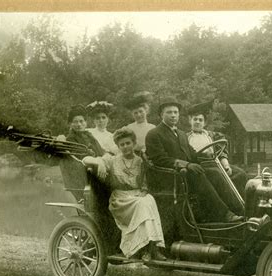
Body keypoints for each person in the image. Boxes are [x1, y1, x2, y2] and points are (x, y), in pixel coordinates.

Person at [145, 97, 243, 223]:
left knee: (215, 172)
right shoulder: (154, 134)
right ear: (161, 115)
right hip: (171, 177)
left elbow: (192, 154)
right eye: (169, 112)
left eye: (175, 112)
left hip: (185, 173)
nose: (173, 115)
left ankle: (239, 210)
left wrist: (208, 159)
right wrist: (186, 165)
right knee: (199, 174)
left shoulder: (180, 133)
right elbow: (160, 159)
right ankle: (224, 214)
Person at [82, 128, 166, 260]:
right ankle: (146, 250)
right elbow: (85, 160)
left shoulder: (140, 161)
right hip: (120, 200)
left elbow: (145, 183)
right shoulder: (112, 159)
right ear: (118, 146)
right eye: (122, 144)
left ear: (133, 143)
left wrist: (143, 191)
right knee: (143, 204)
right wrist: (99, 162)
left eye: (128, 143)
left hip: (137, 195)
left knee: (149, 200)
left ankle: (151, 249)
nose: (125, 147)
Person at [187, 102, 248, 197]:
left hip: (216, 163)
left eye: (200, 120)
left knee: (240, 173)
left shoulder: (212, 135)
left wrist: (226, 166)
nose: (198, 122)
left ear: (205, 123)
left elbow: (221, 151)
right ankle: (231, 202)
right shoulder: (186, 137)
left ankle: (244, 201)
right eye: (195, 119)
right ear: (190, 121)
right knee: (218, 175)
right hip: (201, 166)